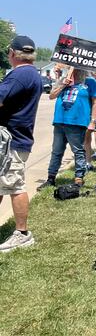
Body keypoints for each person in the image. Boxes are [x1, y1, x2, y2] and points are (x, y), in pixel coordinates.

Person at [0, 36, 43, 252]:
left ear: (12, 53)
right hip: (15, 138)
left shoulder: (18, 75)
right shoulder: (31, 73)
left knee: (15, 185)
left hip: (12, 140)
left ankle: (22, 234)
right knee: (2, 183)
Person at [41, 68, 96, 188]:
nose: (74, 70)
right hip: (60, 121)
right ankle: (51, 178)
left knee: (78, 151)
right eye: (71, 67)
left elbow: (95, 103)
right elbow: (52, 96)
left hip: (77, 122)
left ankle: (79, 178)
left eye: (77, 68)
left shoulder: (89, 82)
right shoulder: (63, 80)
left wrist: (93, 121)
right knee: (56, 151)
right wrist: (63, 84)